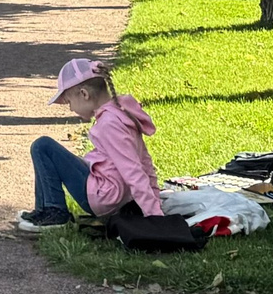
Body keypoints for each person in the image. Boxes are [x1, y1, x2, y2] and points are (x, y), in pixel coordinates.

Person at [14, 58, 162, 231]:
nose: (70, 109)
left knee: (43, 146)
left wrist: (155, 217)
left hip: (103, 198)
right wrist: (156, 203)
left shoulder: (109, 124)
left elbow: (133, 171)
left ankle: (54, 212)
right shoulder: (122, 112)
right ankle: (44, 209)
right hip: (115, 196)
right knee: (53, 152)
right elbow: (144, 162)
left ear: (84, 94)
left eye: (69, 102)